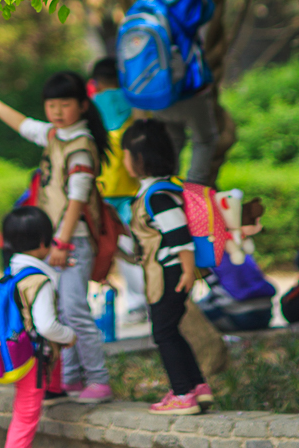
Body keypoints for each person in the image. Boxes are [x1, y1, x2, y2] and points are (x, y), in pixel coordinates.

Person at [0, 71, 112, 404]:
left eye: (65, 104)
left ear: (82, 105)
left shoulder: (81, 146)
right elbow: (23, 124)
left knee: (75, 310)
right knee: (61, 311)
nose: (58, 111)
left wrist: (62, 244)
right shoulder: (55, 135)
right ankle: (71, 380)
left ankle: (98, 380)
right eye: (52, 105)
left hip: (71, 242)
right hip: (58, 243)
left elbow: (78, 199)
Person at [121, 118, 211, 415]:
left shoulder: (158, 195)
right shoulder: (157, 190)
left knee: (163, 332)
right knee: (169, 329)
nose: (124, 161)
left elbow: (179, 236)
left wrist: (187, 272)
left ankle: (184, 394)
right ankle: (196, 386)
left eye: (126, 155)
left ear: (140, 158)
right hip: (166, 271)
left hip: (170, 273)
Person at [132, 0, 217, 185]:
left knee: (172, 144)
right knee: (205, 139)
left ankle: (166, 196)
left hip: (156, 92)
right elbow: (207, 8)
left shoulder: (142, 2)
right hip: (187, 88)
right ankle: (194, 196)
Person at [1, 207, 76, 448]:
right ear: (44, 241)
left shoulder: (10, 272)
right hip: (30, 359)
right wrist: (69, 335)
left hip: (11, 349)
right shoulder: (39, 281)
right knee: (25, 416)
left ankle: (54, 389)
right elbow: (46, 326)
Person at [89, 58, 146, 324]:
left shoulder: (93, 105)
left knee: (115, 246)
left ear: (97, 82)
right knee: (135, 241)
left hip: (102, 188)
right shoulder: (134, 101)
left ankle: (135, 305)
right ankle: (145, 300)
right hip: (132, 184)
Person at [196, 251, 276, 332]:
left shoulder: (205, 254)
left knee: (198, 308)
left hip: (239, 317)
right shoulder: (240, 249)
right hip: (267, 313)